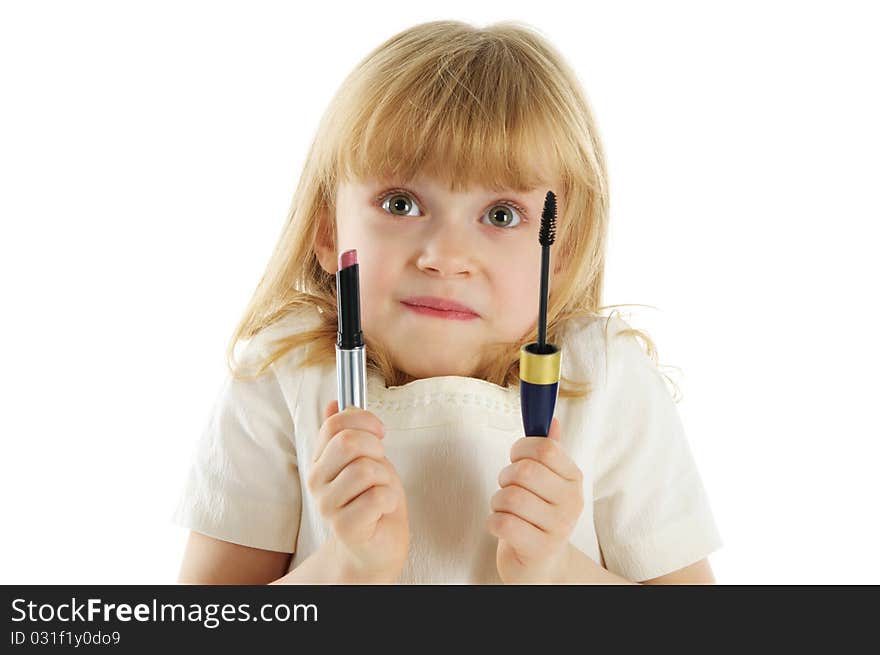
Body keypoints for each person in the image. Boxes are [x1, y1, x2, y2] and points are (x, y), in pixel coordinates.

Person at [171, 19, 723, 584]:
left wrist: (557, 571)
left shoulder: (609, 383)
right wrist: (347, 568)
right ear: (327, 228)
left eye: (502, 215)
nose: (446, 257)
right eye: (401, 204)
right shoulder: (281, 377)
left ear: (561, 251)